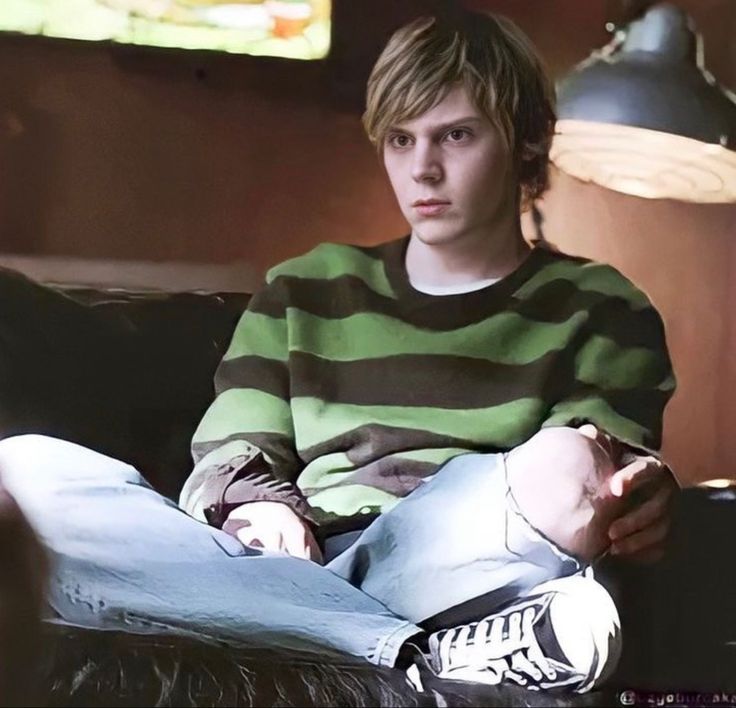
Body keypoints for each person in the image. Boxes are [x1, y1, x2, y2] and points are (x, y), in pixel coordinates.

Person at [0, 7, 677, 700]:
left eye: (457, 136)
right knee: (25, 471)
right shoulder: (305, 288)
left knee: (568, 468)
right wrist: (258, 508)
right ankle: (415, 658)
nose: (424, 170)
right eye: (401, 139)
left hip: (463, 558)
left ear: (527, 143)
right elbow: (232, 450)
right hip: (291, 561)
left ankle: (311, 630)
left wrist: (623, 485)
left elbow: (598, 477)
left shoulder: (601, 306)